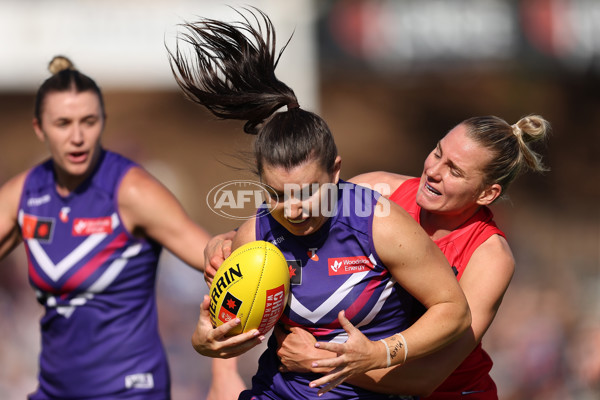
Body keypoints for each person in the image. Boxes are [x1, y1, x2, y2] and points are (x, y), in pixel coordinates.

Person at [168, 8, 471, 399]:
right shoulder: (254, 238)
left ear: (335, 172)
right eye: (277, 195)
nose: (294, 210)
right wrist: (207, 340)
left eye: (308, 192)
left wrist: (376, 354)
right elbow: (235, 333)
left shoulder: (381, 225)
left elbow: (453, 311)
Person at [0, 56, 237, 400]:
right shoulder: (26, 194)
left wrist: (223, 370)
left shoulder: (133, 191)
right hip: (54, 391)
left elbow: (227, 268)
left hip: (130, 390)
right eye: (63, 123)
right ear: (40, 128)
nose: (78, 137)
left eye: (89, 122)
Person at [272, 114, 551, 398]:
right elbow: (284, 225)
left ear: (486, 194)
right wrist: (227, 242)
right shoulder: (377, 190)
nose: (433, 171)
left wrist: (319, 361)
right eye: (438, 153)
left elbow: (427, 377)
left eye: (455, 171)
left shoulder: (490, 257)